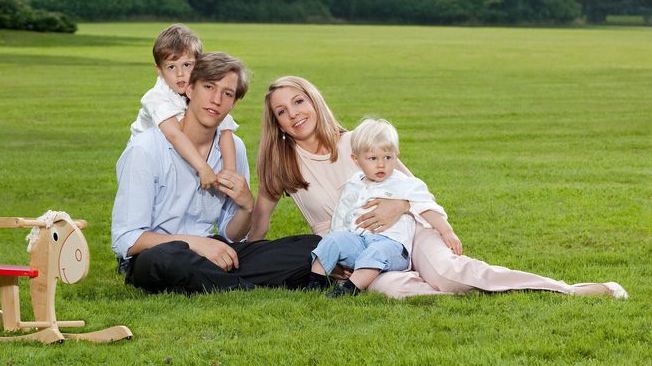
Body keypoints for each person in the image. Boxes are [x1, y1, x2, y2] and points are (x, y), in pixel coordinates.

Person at [252, 75, 628, 299]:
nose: (293, 114)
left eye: (298, 101)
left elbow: (414, 188)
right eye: (281, 111)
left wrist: (399, 207)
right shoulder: (281, 164)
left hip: (408, 231)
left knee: (449, 272)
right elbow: (258, 229)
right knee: (397, 291)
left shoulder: (359, 142)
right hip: (357, 255)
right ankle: (444, 283)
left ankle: (568, 289)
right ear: (277, 123)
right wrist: (238, 226)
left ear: (314, 101)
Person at [112, 54, 320, 294]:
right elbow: (126, 239)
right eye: (209, 87)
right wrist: (196, 244)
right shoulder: (145, 149)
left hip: (213, 251)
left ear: (233, 104)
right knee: (166, 260)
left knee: (313, 246)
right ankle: (242, 287)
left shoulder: (234, 147)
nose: (216, 99)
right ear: (189, 89)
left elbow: (232, 236)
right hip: (159, 253)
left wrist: (246, 208)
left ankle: (215, 281)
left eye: (227, 93)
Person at [309, 118, 448, 297]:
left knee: (376, 252)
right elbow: (341, 217)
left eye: (387, 157)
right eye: (373, 158)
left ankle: (348, 290)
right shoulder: (353, 185)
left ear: (396, 156)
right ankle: (314, 282)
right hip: (360, 242)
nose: (381, 164)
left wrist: (446, 231)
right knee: (332, 240)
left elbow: (426, 205)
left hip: (393, 247)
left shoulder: (405, 184)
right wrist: (339, 246)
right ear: (356, 160)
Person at [128, 24, 238, 190]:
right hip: (144, 161)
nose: (180, 74)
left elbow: (225, 127)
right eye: (171, 67)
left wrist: (230, 173)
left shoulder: (196, 89)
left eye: (187, 65)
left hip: (176, 152)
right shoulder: (156, 97)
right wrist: (203, 167)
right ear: (159, 70)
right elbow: (174, 134)